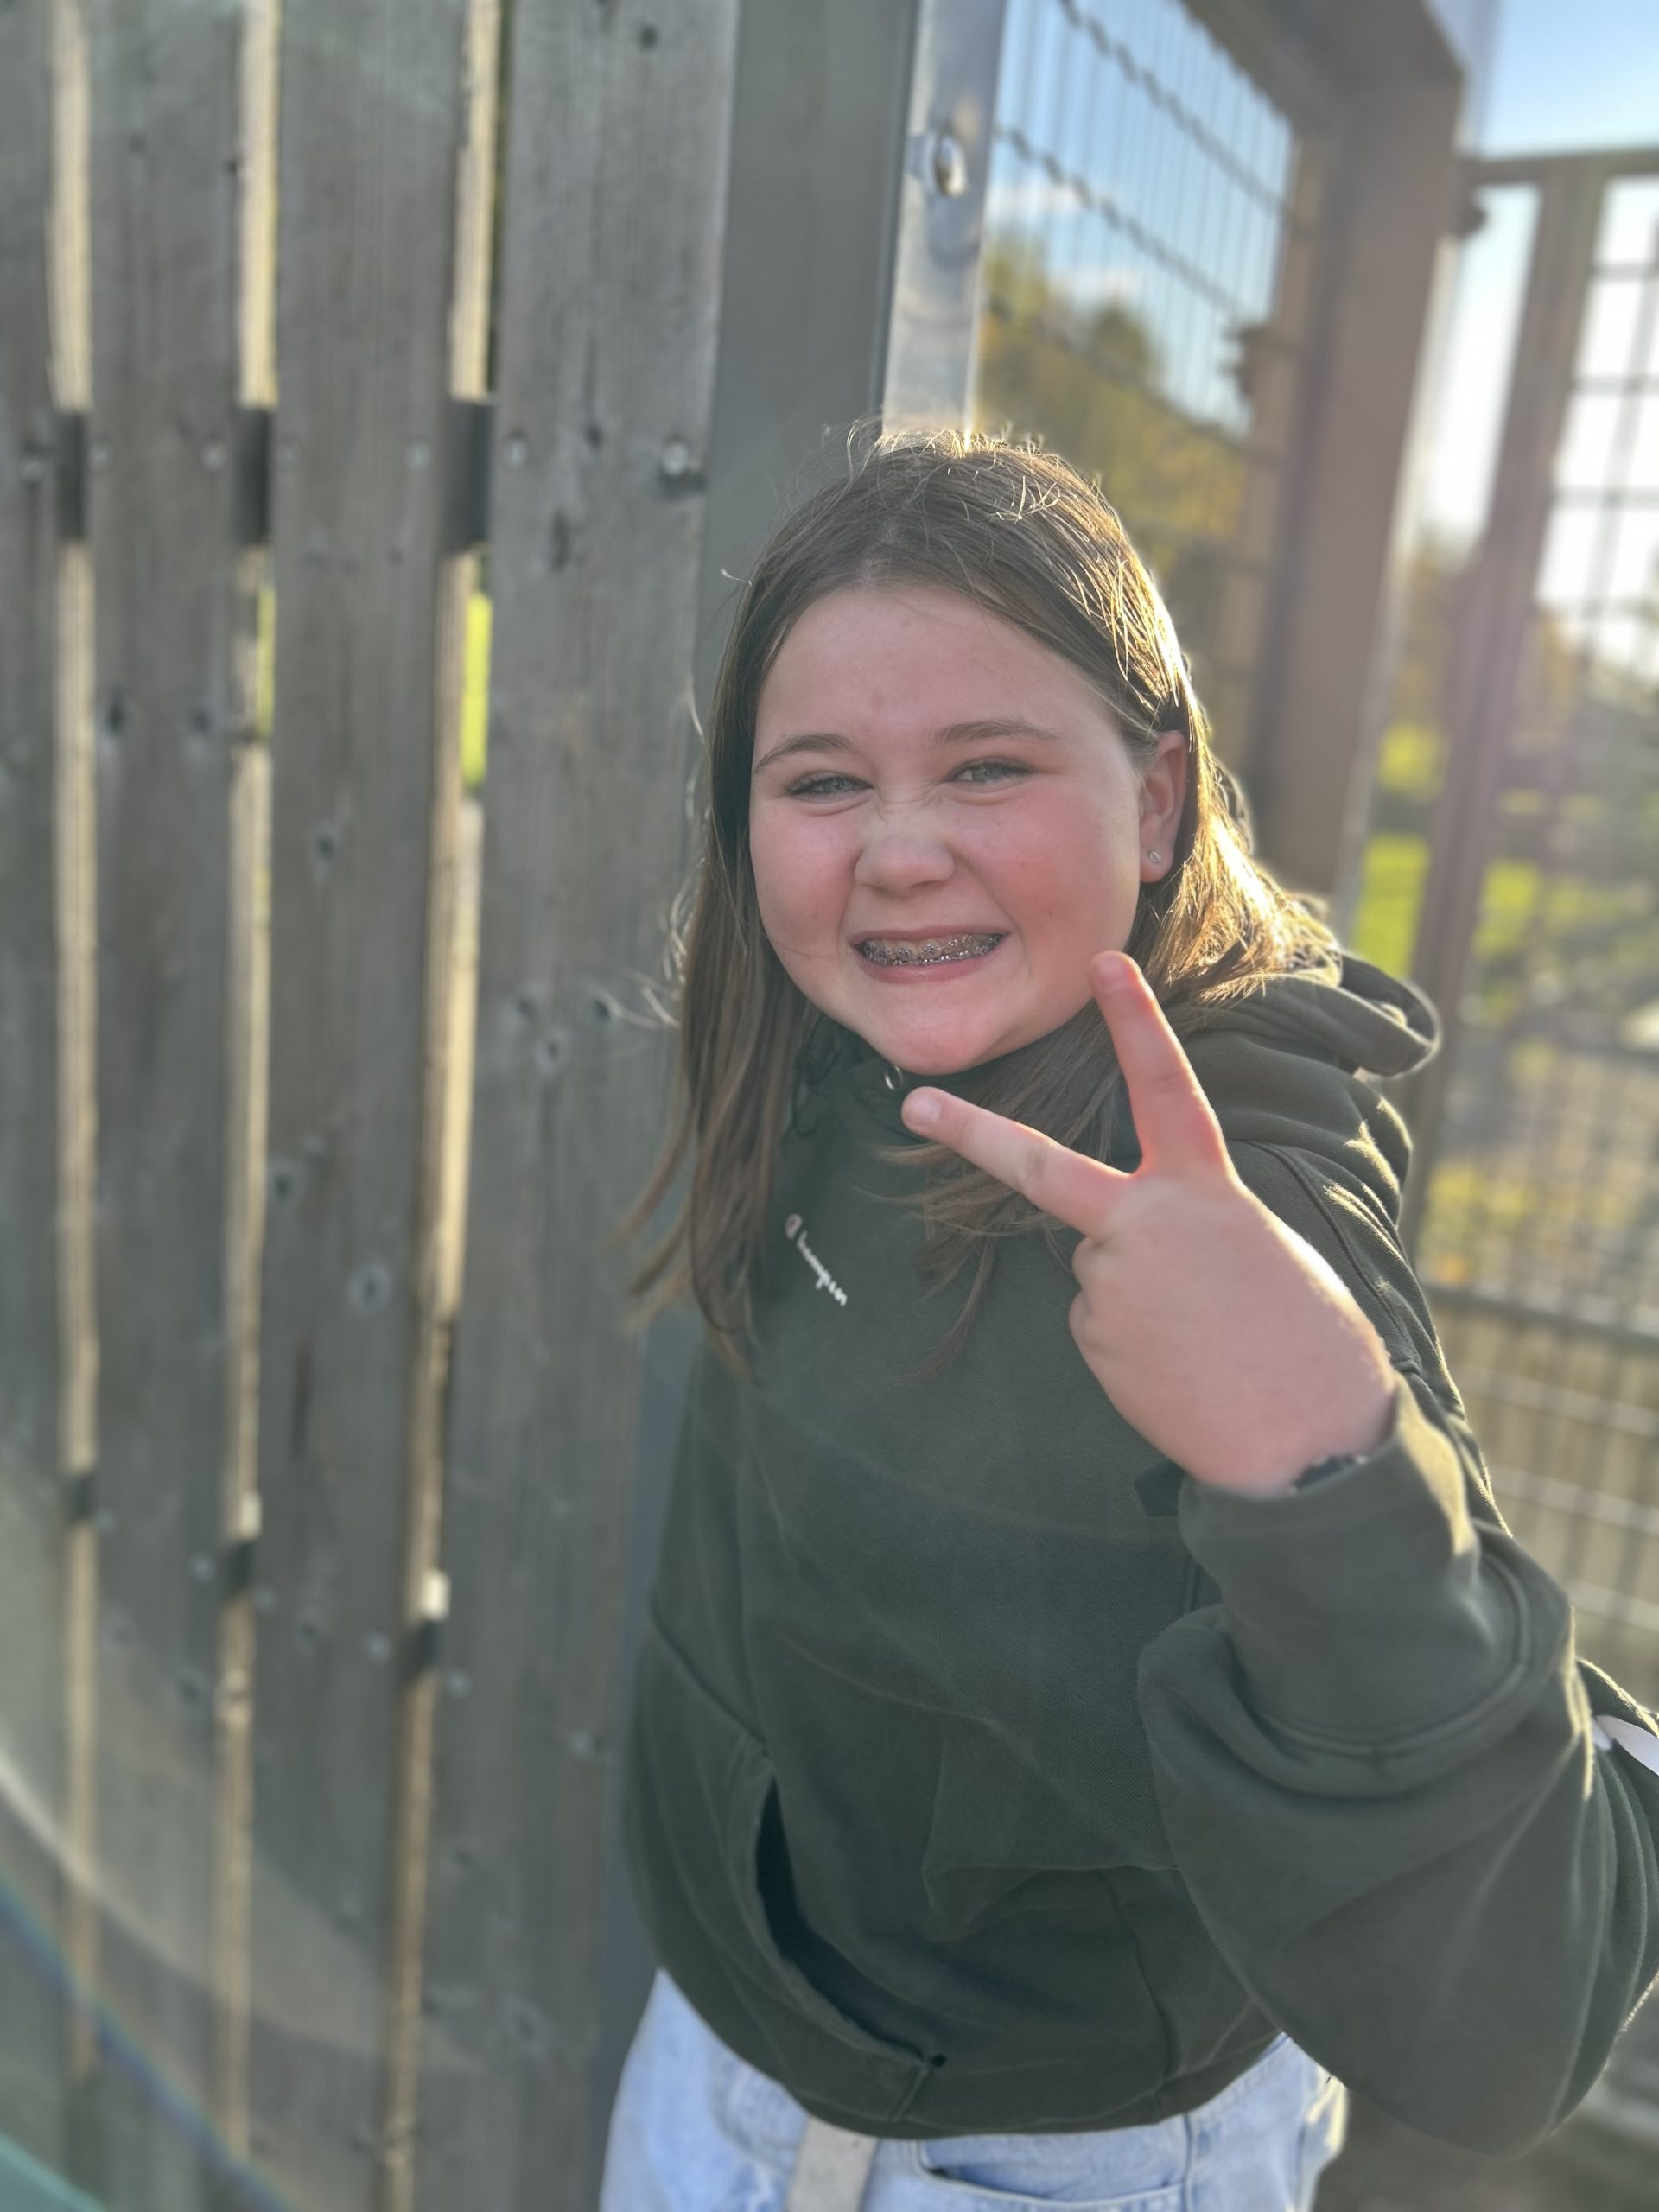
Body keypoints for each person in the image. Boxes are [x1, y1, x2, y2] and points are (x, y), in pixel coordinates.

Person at [600, 429, 1659, 2212]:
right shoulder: (836, 1051)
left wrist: (1315, 1452)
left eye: (988, 765)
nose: (900, 851)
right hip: (726, 2050)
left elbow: (1512, 2024)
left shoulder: (1239, 1188)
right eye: (823, 781)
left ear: (1157, 800)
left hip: (1030, 2155)